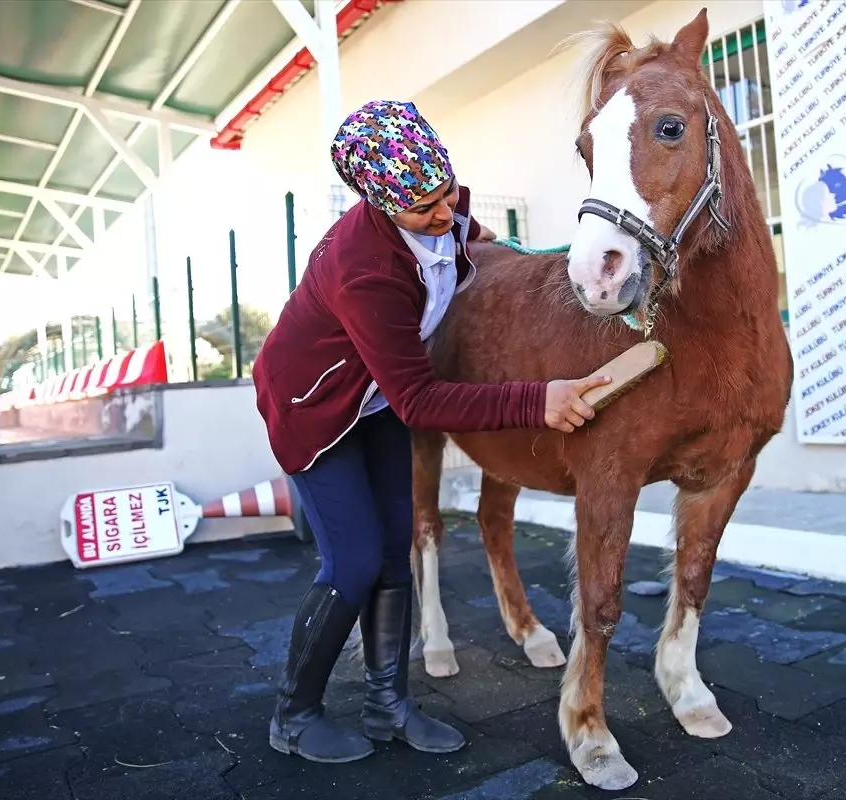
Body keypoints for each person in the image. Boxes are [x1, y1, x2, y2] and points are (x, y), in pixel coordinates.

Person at [251, 99, 611, 764]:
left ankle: (388, 706)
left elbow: (474, 240)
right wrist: (540, 401)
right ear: (382, 204)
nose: (443, 214)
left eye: (445, 192)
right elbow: (418, 398)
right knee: (353, 562)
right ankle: (294, 715)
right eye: (423, 209)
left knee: (396, 551)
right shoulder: (366, 271)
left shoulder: (445, 208)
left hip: (373, 400)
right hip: (314, 407)